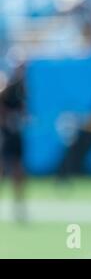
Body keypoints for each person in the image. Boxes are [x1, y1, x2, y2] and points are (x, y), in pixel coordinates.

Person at [0, 59, 27, 223]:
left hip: (15, 135)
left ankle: (19, 206)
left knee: (18, 171)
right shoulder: (6, 86)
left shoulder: (23, 88)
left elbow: (23, 111)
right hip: (5, 135)